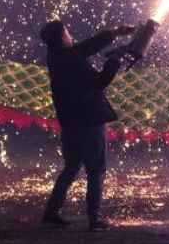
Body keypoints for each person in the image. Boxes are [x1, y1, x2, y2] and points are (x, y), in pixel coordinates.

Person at [40, 20, 135, 230]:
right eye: (67, 32)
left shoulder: (55, 56)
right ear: (62, 38)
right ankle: (95, 218)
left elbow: (86, 47)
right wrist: (115, 59)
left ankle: (51, 212)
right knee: (96, 170)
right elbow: (99, 82)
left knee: (71, 167)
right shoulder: (73, 61)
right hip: (89, 121)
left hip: (70, 123)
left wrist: (115, 32)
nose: (70, 35)